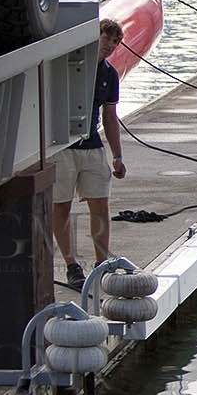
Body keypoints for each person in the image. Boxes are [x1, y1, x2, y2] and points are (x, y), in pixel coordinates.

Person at [54, 20, 127, 289]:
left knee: (100, 204)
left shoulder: (109, 74)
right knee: (61, 205)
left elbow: (110, 115)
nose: (109, 45)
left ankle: (101, 264)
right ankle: (72, 265)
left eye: (115, 42)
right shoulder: (68, 65)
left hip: (91, 143)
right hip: (62, 147)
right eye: (105, 38)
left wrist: (117, 155)